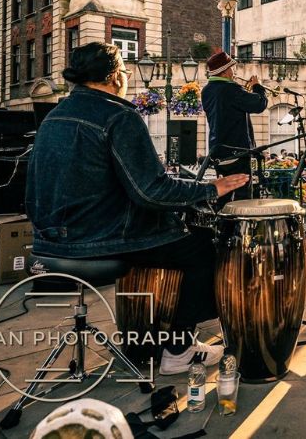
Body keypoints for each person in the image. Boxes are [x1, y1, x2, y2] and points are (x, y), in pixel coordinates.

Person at [26, 42, 248, 375]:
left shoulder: (53, 116)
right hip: (98, 241)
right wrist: (210, 188)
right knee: (203, 248)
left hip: (47, 243)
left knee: (177, 234)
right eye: (125, 72)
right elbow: (152, 192)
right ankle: (179, 350)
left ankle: (151, 341)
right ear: (115, 77)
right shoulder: (119, 114)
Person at [200, 51, 268, 205]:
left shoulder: (207, 90)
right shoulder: (230, 89)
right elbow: (259, 104)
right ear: (224, 71)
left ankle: (223, 227)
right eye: (231, 69)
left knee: (223, 194)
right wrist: (257, 87)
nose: (233, 73)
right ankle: (237, 228)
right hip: (236, 152)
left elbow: (229, 108)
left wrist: (242, 91)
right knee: (242, 199)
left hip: (219, 152)